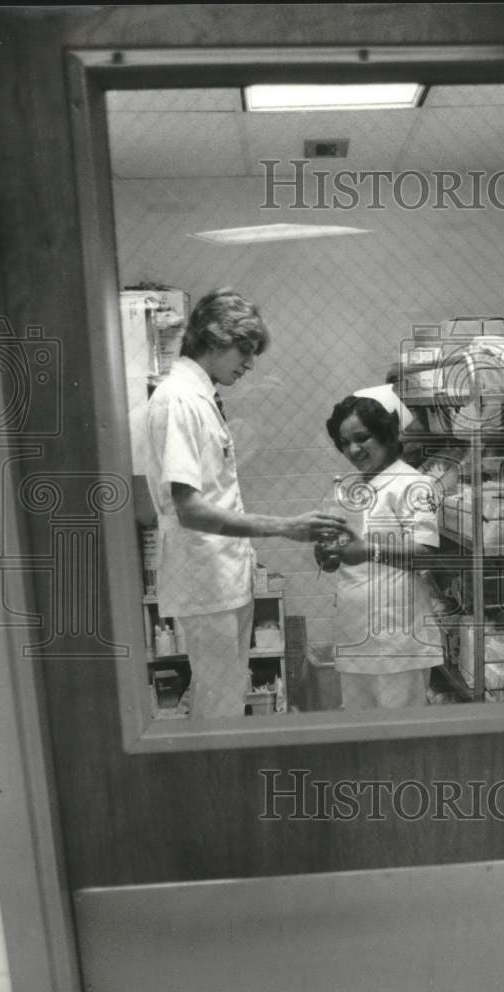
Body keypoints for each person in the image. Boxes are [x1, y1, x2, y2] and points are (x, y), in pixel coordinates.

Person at [146, 287, 347, 719]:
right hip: (205, 577)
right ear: (216, 337)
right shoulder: (178, 399)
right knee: (218, 702)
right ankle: (215, 784)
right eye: (246, 349)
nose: (251, 364)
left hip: (220, 576)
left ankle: (218, 778)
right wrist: (284, 526)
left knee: (225, 693)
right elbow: (191, 508)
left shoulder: (199, 398)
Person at [316, 391, 444, 710]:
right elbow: (341, 558)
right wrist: (327, 555)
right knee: (361, 736)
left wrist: (368, 552)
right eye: (344, 443)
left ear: (386, 435)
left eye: (362, 438)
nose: (353, 450)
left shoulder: (413, 484)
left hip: (397, 642)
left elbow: (425, 553)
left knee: (401, 739)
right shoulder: (350, 488)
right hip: (355, 633)